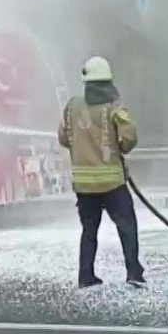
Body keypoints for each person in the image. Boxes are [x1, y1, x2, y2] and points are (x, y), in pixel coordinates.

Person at [58, 56, 145, 288]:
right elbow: (129, 138)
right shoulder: (114, 106)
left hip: (84, 186)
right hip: (112, 183)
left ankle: (85, 276)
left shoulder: (72, 106)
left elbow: (64, 138)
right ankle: (134, 272)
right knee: (126, 225)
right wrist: (118, 149)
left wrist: (84, 149)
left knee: (89, 229)